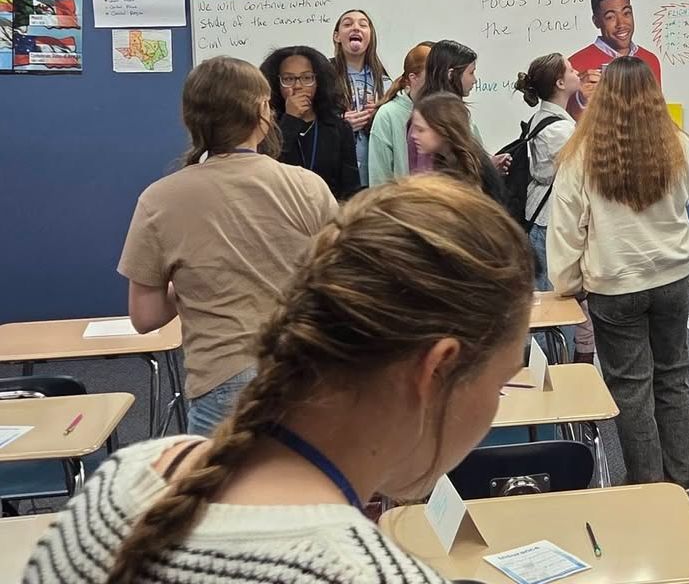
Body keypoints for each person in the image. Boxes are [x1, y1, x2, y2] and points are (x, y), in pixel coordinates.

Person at [29, 177, 532, 584]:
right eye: (500, 384)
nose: (494, 411)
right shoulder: (368, 573)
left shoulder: (123, 480)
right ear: (437, 368)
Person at [117, 57, 337, 437]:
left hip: (223, 381)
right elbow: (340, 282)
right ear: (262, 113)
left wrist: (191, 283)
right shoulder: (308, 186)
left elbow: (146, 316)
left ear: (191, 120)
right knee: (307, 493)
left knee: (227, 496)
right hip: (306, 372)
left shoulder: (159, 200)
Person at [548, 57, 689, 503]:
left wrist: (565, 284)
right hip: (673, 278)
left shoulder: (581, 155)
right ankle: (687, 480)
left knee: (630, 386)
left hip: (614, 284)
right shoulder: (677, 144)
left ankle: (648, 487)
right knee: (673, 377)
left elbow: (567, 227)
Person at [515, 53, 594, 363]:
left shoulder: (550, 119)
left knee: (553, 302)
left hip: (542, 219)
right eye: (572, 70)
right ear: (560, 83)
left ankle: (566, 369)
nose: (578, 72)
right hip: (549, 223)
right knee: (552, 305)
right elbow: (586, 167)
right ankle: (555, 374)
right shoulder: (558, 130)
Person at [261, 46, 360, 200]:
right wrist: (291, 120)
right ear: (277, 84)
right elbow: (266, 169)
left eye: (307, 78)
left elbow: (351, 188)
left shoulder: (338, 128)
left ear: (318, 82)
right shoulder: (265, 127)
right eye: (288, 79)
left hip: (329, 214)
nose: (298, 86)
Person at [567, 0, 662, 118]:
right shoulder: (574, 65)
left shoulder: (650, 60)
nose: (621, 24)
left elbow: (657, 116)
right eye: (610, 17)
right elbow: (566, 128)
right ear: (596, 21)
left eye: (626, 13)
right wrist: (580, 100)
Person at [410, 91, 506, 207]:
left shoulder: (470, 170)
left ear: (443, 129)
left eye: (421, 130)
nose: (413, 135)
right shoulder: (442, 160)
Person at [329, 8, 389, 187]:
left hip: (374, 173)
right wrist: (339, 124)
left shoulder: (384, 81)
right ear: (337, 36)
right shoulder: (323, 75)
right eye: (347, 24)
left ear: (370, 36)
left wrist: (379, 117)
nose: (355, 28)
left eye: (363, 25)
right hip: (336, 171)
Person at [368, 41, 433, 186]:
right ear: (413, 77)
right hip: (402, 205)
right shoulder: (388, 115)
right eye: (432, 74)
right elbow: (379, 180)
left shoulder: (446, 111)